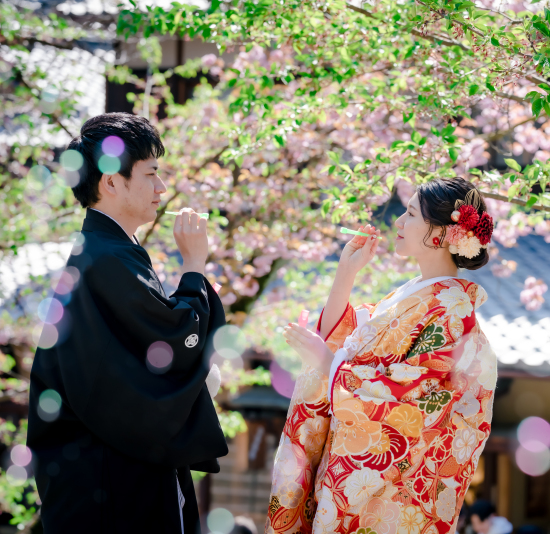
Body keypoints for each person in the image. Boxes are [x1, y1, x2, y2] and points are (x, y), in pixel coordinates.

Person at [26, 113, 228, 534]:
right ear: (111, 182)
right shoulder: (106, 258)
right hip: (109, 484)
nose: (162, 188)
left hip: (100, 477)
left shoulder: (107, 252)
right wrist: (193, 265)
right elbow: (173, 341)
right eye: (151, 174)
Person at [268, 178, 498, 534]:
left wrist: (329, 367)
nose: (398, 224)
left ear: (441, 233)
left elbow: (413, 404)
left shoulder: (452, 314)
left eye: (409, 214)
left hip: (386, 496)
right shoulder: (414, 297)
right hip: (349, 471)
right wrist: (346, 272)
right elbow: (344, 340)